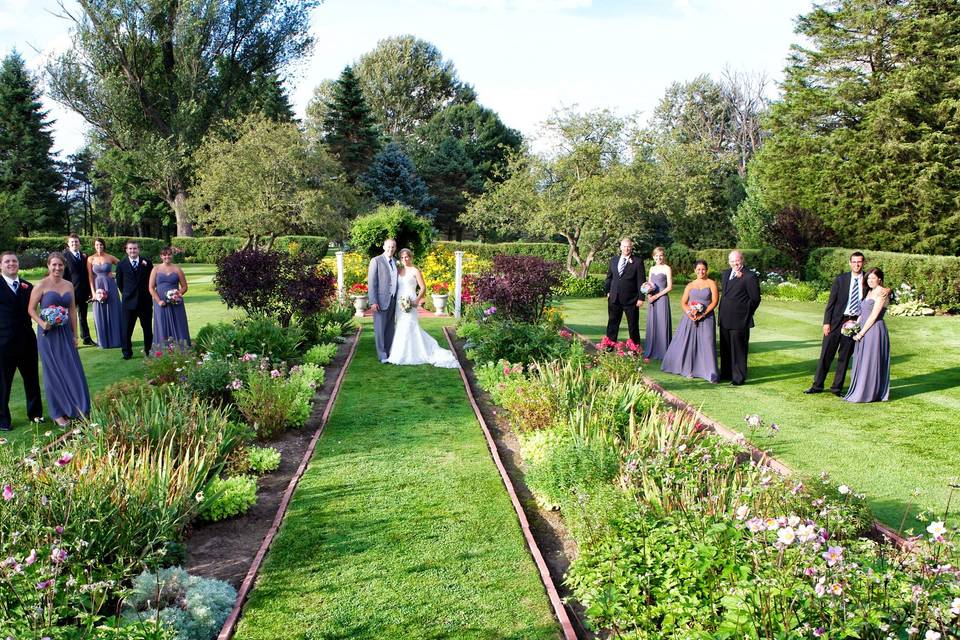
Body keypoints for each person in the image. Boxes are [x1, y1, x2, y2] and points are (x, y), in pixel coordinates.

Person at [27, 253, 91, 427]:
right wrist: (42, 323)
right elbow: (31, 309)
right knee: (53, 372)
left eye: (60, 265)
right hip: (47, 335)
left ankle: (78, 408)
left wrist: (75, 334)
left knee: (72, 369)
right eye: (54, 265)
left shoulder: (69, 285)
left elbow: (72, 311)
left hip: (64, 333)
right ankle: (57, 413)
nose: (57, 268)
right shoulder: (41, 285)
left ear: (64, 266)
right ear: (48, 265)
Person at [805, 251, 866, 396]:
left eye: (859, 262)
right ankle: (817, 386)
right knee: (826, 355)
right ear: (850, 263)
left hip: (854, 323)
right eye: (854, 262)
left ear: (863, 263)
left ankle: (836, 388)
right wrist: (826, 322)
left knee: (844, 357)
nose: (856, 264)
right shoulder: (841, 279)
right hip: (836, 322)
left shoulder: (867, 281)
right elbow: (831, 302)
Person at [386, 249, 459, 368]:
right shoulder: (399, 271)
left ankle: (412, 354)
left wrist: (416, 300)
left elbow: (423, 287)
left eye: (407, 257)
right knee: (400, 325)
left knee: (410, 325)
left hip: (411, 301)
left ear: (411, 257)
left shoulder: (415, 271)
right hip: (400, 302)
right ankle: (399, 353)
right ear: (400, 259)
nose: (405, 259)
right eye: (403, 257)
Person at [0, 252, 43, 431]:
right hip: (4, 343)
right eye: (7, 261)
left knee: (32, 380)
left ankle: (35, 414)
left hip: (27, 341)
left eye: (14, 261)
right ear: (1, 265)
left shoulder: (28, 286)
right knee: (3, 384)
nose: (11, 264)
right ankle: (3, 420)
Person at [660, 260, 719, 383]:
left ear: (706, 270)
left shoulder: (711, 283)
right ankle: (689, 370)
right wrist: (689, 312)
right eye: (698, 269)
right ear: (694, 270)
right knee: (689, 343)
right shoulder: (690, 285)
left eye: (703, 269)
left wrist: (703, 314)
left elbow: (714, 302)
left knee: (707, 342)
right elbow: (683, 302)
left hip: (706, 318)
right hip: (690, 319)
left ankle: (709, 373)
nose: (700, 271)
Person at [844, 268, 891, 403]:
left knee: (870, 360)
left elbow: (874, 316)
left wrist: (861, 333)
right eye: (868, 278)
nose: (870, 281)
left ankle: (869, 393)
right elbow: (863, 313)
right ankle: (860, 390)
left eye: (873, 278)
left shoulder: (882, 293)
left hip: (874, 330)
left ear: (879, 279)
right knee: (862, 359)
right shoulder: (869, 292)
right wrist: (854, 326)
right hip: (863, 328)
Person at [718, 250, 761, 386]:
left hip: (740, 320)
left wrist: (746, 313)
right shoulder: (725, 274)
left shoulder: (750, 276)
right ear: (729, 262)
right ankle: (726, 374)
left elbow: (755, 299)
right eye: (732, 261)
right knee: (725, 348)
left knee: (739, 350)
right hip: (724, 317)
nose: (734, 263)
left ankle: (738, 378)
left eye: (737, 260)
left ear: (742, 260)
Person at [603, 237, 646, 346]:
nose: (626, 249)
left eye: (629, 246)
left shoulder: (637, 262)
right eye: (624, 246)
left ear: (631, 248)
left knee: (633, 326)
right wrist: (607, 291)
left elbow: (641, 281)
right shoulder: (614, 260)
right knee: (612, 324)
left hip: (631, 300)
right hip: (614, 298)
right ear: (620, 247)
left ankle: (635, 349)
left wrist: (641, 298)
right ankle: (609, 347)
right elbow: (609, 277)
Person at [116, 240, 154, 360]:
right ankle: (127, 352)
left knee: (147, 327)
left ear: (139, 249)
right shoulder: (121, 264)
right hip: (128, 302)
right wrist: (127, 294)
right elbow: (119, 283)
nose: (133, 251)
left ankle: (149, 350)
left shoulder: (147, 263)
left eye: (135, 248)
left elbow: (151, 281)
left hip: (145, 301)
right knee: (127, 329)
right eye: (130, 249)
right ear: (126, 250)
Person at [149, 247, 191, 351]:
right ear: (161, 256)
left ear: (172, 255)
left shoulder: (177, 269)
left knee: (179, 324)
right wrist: (158, 301)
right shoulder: (156, 269)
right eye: (164, 255)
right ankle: (162, 350)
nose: (167, 257)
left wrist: (177, 294)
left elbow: (184, 287)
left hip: (176, 302)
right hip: (161, 303)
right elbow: (151, 287)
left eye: (169, 254)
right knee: (162, 325)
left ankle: (181, 349)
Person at [87, 238, 123, 349]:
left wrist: (115, 274)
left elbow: (122, 266)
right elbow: (90, 276)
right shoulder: (90, 259)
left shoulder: (110, 257)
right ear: (94, 246)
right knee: (100, 313)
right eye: (97, 245)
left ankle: (116, 340)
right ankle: (103, 341)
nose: (99, 247)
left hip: (110, 286)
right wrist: (93, 293)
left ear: (104, 246)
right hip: (98, 287)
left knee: (114, 311)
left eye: (101, 245)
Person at [368, 238, 398, 363]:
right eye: (389, 247)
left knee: (390, 328)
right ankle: (382, 355)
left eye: (393, 247)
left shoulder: (396, 262)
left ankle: (389, 352)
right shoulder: (376, 261)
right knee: (380, 329)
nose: (390, 249)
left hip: (393, 299)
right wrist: (373, 301)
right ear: (384, 247)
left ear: (395, 248)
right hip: (380, 301)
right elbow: (372, 283)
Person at [63, 234, 95, 346]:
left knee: (83, 316)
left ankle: (86, 338)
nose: (74, 244)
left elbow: (88, 274)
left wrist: (90, 291)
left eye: (76, 242)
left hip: (83, 291)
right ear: (68, 244)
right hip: (69, 292)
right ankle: (71, 341)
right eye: (72, 242)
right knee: (69, 317)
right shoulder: (64, 257)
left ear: (79, 243)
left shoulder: (84, 256)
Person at [643, 246, 673, 362]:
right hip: (652, 300)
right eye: (656, 255)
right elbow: (649, 284)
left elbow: (669, 287)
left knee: (662, 323)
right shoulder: (651, 269)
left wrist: (656, 296)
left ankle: (663, 351)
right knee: (653, 323)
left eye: (661, 255)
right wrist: (648, 294)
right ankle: (651, 349)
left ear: (663, 256)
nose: (659, 258)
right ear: (653, 256)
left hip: (662, 299)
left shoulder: (667, 268)